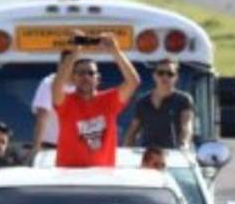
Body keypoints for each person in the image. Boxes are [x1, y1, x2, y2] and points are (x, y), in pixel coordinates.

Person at [51, 33, 141, 168]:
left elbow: (133, 81)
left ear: (98, 79)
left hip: (102, 176)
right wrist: (75, 52)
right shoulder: (66, 102)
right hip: (68, 176)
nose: (86, 77)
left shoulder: (109, 100)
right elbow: (57, 86)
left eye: (91, 73)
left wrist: (115, 51)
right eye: (80, 73)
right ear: (73, 78)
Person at [124, 58, 195, 149]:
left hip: (173, 155)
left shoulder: (183, 100)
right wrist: (126, 150)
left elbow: (186, 125)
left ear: (176, 77)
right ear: (154, 76)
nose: (165, 77)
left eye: (170, 74)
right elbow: (133, 130)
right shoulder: (142, 101)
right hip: (146, 155)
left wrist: (184, 144)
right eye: (160, 73)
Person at [29, 50, 73, 157]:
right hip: (51, 150)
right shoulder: (49, 83)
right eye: (66, 64)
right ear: (60, 64)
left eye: (73, 64)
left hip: (77, 148)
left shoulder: (83, 86)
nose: (69, 68)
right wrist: (36, 150)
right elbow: (42, 116)